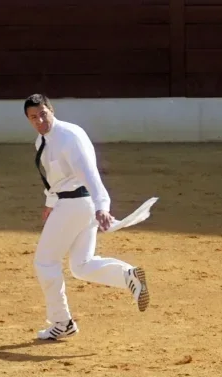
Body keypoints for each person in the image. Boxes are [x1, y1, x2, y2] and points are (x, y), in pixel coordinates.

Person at [24, 93, 150, 341]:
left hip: (77, 204)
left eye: (42, 114)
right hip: (74, 203)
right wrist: (50, 203)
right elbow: (54, 179)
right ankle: (128, 276)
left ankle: (61, 321)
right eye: (33, 117)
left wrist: (102, 205)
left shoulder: (68, 136)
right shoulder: (42, 141)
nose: (39, 120)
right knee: (81, 265)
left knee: (45, 262)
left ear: (51, 109)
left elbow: (90, 173)